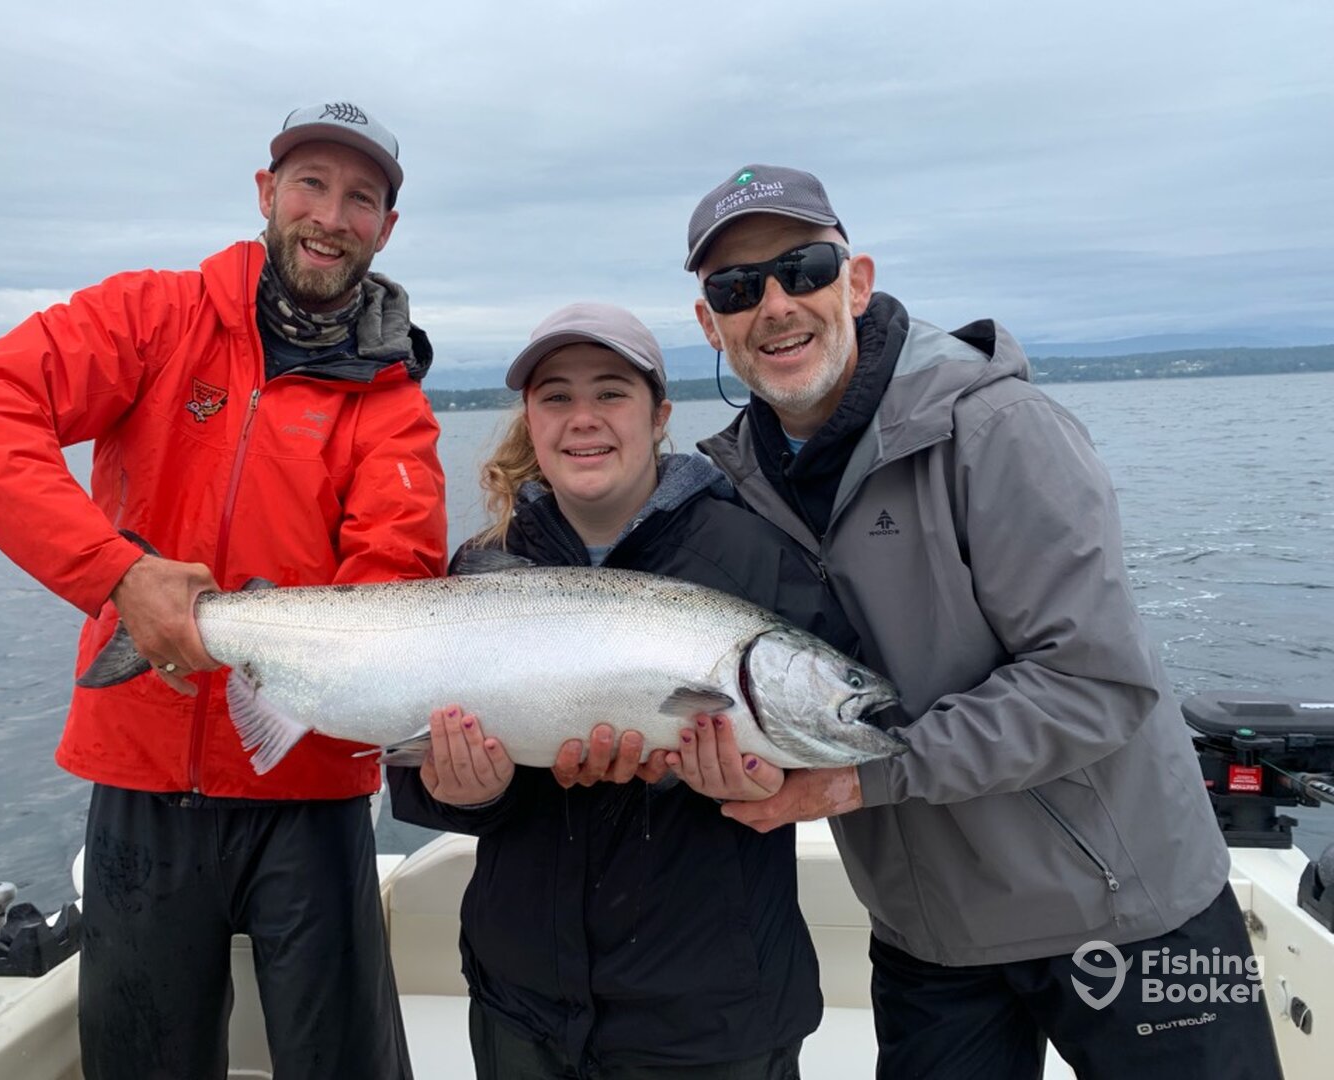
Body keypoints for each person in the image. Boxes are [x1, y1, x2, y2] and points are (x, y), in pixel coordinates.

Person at [679, 164, 1283, 1079]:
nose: (775, 304)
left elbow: (1094, 683)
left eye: (803, 268)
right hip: (930, 933)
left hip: (1131, 908)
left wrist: (859, 781)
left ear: (856, 282)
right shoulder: (737, 490)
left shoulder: (1001, 428)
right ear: (709, 324)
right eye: (736, 287)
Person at [0, 102, 445, 1079]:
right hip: (141, 776)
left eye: (361, 198)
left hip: (312, 790)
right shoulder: (153, 318)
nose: (332, 216)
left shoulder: (392, 400)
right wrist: (116, 573)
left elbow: (392, 584)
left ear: (387, 227)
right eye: (311, 184)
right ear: (266, 192)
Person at [389, 302, 857, 1079]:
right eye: (557, 396)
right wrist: (466, 793)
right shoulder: (479, 569)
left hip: (713, 1019)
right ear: (532, 420)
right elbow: (411, 753)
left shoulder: (758, 558)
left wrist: (769, 783)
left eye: (611, 392)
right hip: (521, 1007)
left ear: (659, 415)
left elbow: (837, 745)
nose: (584, 418)